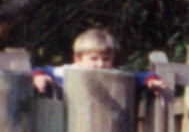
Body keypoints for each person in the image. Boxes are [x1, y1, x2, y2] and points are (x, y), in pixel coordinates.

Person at [31, 27, 163, 94]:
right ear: (78, 59)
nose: (100, 64)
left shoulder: (113, 74)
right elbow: (38, 70)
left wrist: (150, 80)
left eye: (106, 59)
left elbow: (137, 77)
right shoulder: (68, 72)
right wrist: (39, 77)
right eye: (94, 58)